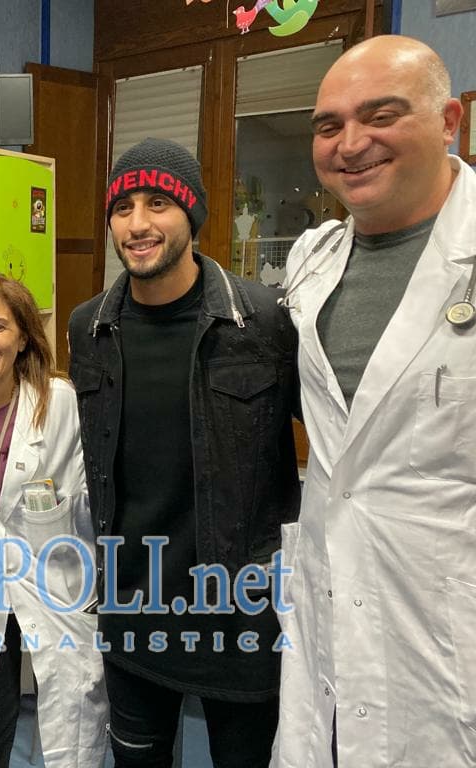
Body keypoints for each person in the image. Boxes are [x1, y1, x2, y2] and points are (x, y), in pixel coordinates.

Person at [271, 36, 473, 767]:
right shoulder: (312, 258)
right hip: (329, 600)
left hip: (448, 619)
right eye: (329, 126)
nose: (351, 144)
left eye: (381, 116)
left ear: (447, 121)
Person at [68, 138, 301, 767]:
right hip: (132, 608)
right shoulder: (89, 327)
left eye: (158, 204)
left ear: (192, 214)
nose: (137, 224)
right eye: (123, 208)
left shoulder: (263, 320)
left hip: (239, 615)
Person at [0, 272, 108, 768]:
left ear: (24, 336)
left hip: (53, 578)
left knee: (69, 714)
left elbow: (94, 495)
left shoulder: (61, 402)